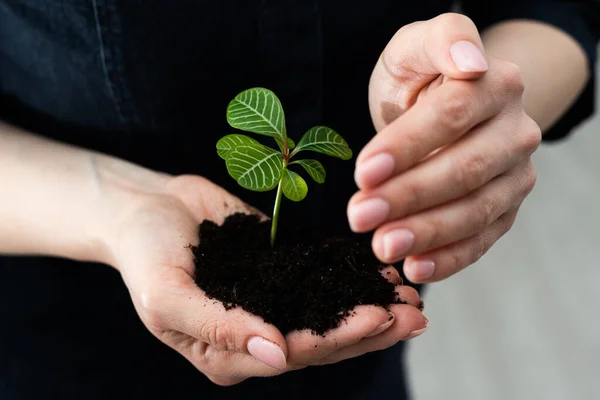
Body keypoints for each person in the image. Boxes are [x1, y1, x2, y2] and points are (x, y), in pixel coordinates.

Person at [1, 1, 598, 398]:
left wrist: (468, 111)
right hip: (71, 347)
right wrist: (119, 208)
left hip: (366, 324)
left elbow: (557, 6)